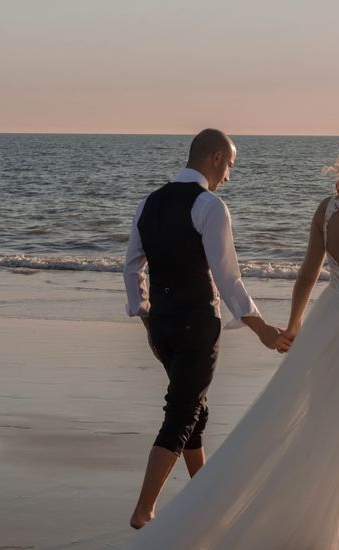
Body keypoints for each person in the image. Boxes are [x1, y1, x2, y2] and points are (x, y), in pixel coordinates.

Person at [125, 127, 339, 549]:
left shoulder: (326, 210)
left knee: (326, 421)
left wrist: (296, 325)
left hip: (330, 318)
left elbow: (307, 274)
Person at [122, 128, 285, 530]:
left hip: (161, 324)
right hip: (196, 324)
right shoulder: (209, 205)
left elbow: (131, 266)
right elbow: (227, 278)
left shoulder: (149, 202)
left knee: (194, 407)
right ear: (214, 158)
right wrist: (259, 326)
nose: (229, 175)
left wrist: (144, 314)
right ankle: (144, 510)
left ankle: (203, 494)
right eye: (229, 165)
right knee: (182, 412)